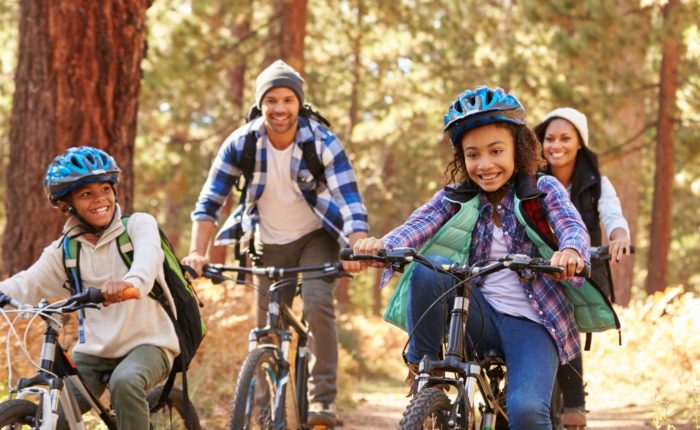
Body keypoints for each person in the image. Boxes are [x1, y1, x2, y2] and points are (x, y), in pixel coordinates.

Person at [352, 86, 590, 430]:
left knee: (525, 412)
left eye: (496, 151)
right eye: (473, 154)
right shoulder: (457, 197)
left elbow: (571, 225)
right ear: (461, 158)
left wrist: (570, 251)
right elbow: (417, 225)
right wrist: (381, 248)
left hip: (533, 322)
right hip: (476, 317)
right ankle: (426, 373)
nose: (485, 164)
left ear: (517, 149)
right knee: (427, 267)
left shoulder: (543, 189)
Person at [183, 59, 369, 426]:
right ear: (260, 103)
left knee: (317, 302)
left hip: (316, 236)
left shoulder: (321, 140)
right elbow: (209, 202)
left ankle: (322, 401)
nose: (280, 108)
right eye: (271, 100)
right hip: (266, 240)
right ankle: (262, 411)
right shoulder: (242, 143)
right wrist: (196, 253)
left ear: (299, 102)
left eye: (287, 99)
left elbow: (349, 200)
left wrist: (357, 245)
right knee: (266, 330)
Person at [0, 146, 179, 429]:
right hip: (93, 352)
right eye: (86, 194)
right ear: (64, 204)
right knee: (55, 415)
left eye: (106, 189)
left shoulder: (138, 227)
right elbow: (26, 283)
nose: (101, 199)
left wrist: (129, 285)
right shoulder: (65, 251)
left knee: (126, 382)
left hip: (149, 343)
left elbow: (146, 264)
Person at [535, 107, 631, 429]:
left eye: (565, 138)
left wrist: (618, 239)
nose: (556, 145)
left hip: (580, 270)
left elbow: (613, 218)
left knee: (564, 311)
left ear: (579, 143)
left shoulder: (597, 183)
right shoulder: (529, 179)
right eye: (549, 139)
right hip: (535, 267)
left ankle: (574, 404)